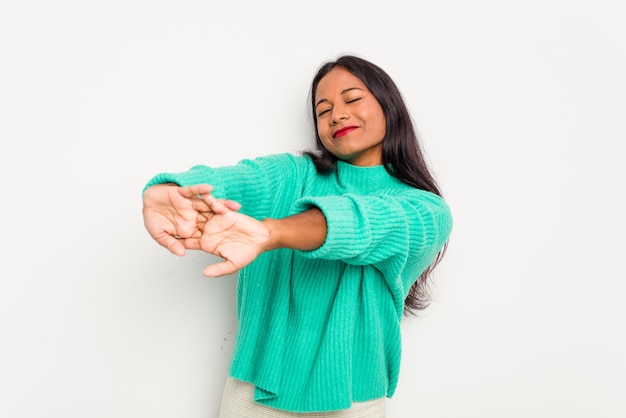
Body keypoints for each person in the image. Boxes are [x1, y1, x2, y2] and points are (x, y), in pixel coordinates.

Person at [142, 54, 453, 417]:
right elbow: (244, 179)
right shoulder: (292, 174)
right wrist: (174, 187)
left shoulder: (426, 210)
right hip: (254, 389)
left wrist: (271, 232)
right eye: (323, 110)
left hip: (355, 398)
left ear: (390, 107)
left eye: (352, 100)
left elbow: (366, 223)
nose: (336, 115)